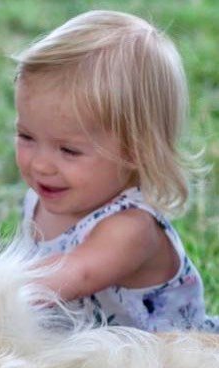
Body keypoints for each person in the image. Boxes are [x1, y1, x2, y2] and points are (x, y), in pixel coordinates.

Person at [13, 10, 218, 332]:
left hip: (164, 367)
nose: (40, 164)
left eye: (68, 150)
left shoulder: (131, 228)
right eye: (26, 136)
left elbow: (74, 275)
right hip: (87, 359)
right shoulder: (44, 198)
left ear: (136, 150)